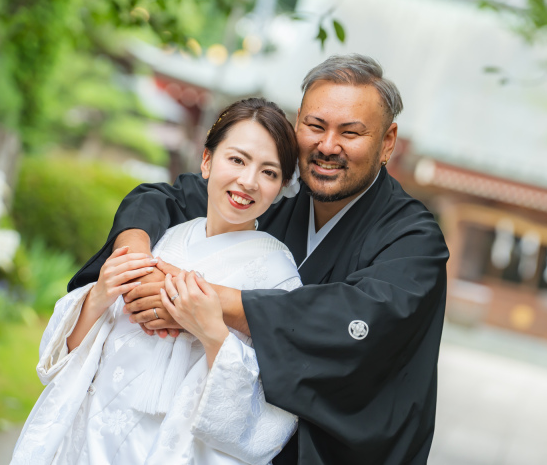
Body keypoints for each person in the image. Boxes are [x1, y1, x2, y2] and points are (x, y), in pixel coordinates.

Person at [69, 54, 449, 465]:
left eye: (351, 132)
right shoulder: (270, 196)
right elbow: (162, 199)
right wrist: (136, 259)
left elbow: (356, 320)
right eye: (315, 126)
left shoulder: (414, 238)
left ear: (387, 142)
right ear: (296, 124)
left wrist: (191, 300)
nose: (327, 146)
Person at [12, 99, 303, 465]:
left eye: (269, 172)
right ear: (207, 161)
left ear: (281, 186)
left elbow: (266, 420)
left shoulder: (278, 273)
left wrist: (213, 333)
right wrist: (100, 296)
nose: (248, 181)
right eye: (237, 160)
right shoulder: (163, 239)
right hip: (90, 437)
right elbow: (59, 358)